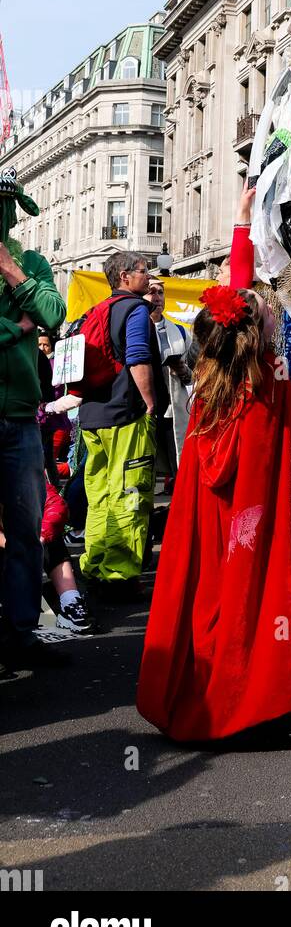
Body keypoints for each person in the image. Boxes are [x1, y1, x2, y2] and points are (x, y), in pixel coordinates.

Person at [136, 284, 291, 741]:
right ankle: (242, 703)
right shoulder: (270, 373)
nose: (274, 313)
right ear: (254, 331)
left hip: (210, 516)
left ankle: (200, 693)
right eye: (266, 312)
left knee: (206, 595)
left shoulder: (214, 374)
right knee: (248, 598)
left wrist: (244, 215)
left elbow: (234, 306)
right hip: (250, 523)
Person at [0, 170, 66, 670]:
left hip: (21, 418)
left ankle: (21, 629)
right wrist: (13, 329)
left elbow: (52, 313)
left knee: (27, 528)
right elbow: (29, 322)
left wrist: (10, 269)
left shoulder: (30, 261)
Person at [76, 252, 167, 593]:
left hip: (92, 417)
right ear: (126, 277)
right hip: (126, 416)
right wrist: (149, 402)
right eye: (144, 271)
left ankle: (95, 565)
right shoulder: (136, 310)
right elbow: (138, 357)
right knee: (130, 493)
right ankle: (120, 575)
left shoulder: (97, 310)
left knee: (100, 496)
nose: (149, 277)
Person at [144, 276, 192, 479]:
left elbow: (196, 373)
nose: (157, 297)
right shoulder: (136, 329)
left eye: (160, 292)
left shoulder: (181, 331)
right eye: (151, 292)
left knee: (178, 466)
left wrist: (183, 371)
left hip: (173, 410)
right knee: (143, 468)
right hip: (145, 409)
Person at [41, 479, 94, 634]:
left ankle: (71, 602)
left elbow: (55, 505)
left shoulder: (21, 471)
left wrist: (41, 537)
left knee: (51, 534)